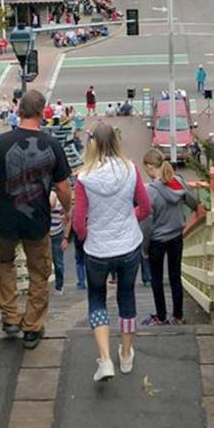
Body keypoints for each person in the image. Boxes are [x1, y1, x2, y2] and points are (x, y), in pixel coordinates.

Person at [0, 90, 72, 350]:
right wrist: (67, 211)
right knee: (39, 272)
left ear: (18, 110)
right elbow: (63, 188)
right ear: (42, 113)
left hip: (4, 220)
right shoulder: (52, 145)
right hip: (36, 220)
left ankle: (10, 319)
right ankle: (32, 327)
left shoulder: (0, 142)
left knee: (5, 263)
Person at [73, 122, 151, 382]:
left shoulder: (84, 178)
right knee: (126, 296)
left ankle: (105, 359)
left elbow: (78, 222)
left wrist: (86, 238)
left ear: (92, 143)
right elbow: (145, 206)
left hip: (98, 249)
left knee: (97, 297)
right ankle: (126, 353)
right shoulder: (131, 169)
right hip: (128, 245)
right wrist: (131, 217)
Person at [141, 148, 198, 326]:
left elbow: (147, 224)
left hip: (157, 240)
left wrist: (144, 248)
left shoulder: (151, 191)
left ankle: (161, 316)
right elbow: (193, 202)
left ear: (150, 167)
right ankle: (178, 315)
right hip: (176, 237)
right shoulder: (178, 182)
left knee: (157, 279)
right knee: (175, 276)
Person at [49, 190, 67, 294]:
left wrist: (65, 237)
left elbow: (67, 219)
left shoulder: (61, 204)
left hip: (57, 234)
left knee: (58, 262)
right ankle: (42, 285)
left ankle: (59, 286)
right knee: (43, 261)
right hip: (45, 234)